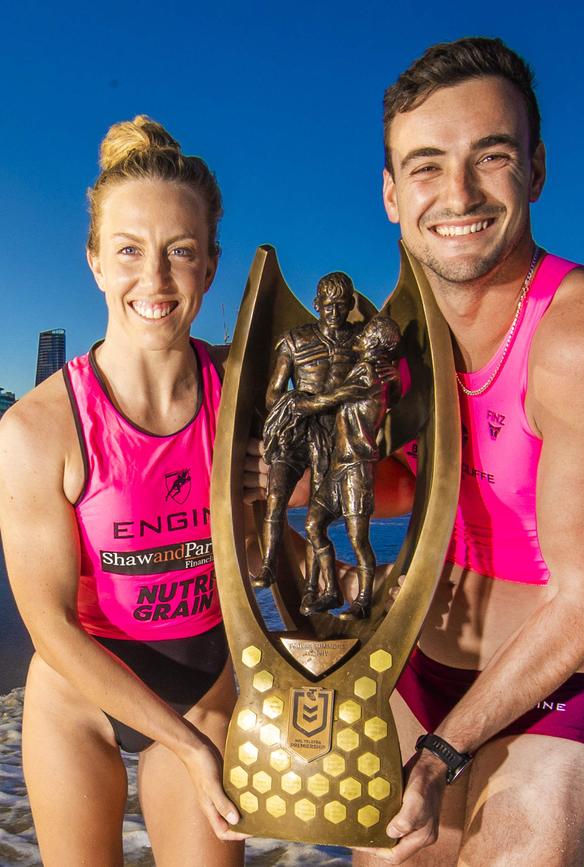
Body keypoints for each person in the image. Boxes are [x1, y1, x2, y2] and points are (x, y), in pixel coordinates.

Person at [355, 37, 584, 866]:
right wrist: (285, 491)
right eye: (425, 166)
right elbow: (412, 484)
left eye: (491, 156)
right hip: (418, 664)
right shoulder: (403, 327)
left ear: (536, 169)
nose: (458, 193)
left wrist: (446, 750)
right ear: (390, 193)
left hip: (550, 691)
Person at [0, 116, 247, 866]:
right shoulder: (38, 429)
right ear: (95, 262)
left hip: (205, 684)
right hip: (79, 701)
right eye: (130, 251)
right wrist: (185, 744)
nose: (156, 280)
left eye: (180, 253)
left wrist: (269, 512)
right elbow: (50, 626)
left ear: (209, 265)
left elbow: (273, 557)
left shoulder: (241, 399)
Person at [252, 271, 361, 590]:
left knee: (321, 514)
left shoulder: (359, 343)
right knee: (276, 496)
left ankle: (322, 584)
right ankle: (270, 563)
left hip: (337, 434)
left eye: (341, 305)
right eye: (328, 305)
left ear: (351, 304)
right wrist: (295, 401)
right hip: (297, 430)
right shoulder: (295, 340)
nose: (334, 312)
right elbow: (272, 393)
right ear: (317, 305)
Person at [294, 315, 402, 618]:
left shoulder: (369, 373)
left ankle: (364, 600)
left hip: (357, 466)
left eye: (366, 333)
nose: (361, 337)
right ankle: (331, 590)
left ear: (375, 341)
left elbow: (332, 397)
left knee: (358, 538)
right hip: (338, 465)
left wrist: (297, 404)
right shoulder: (370, 371)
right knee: (314, 525)